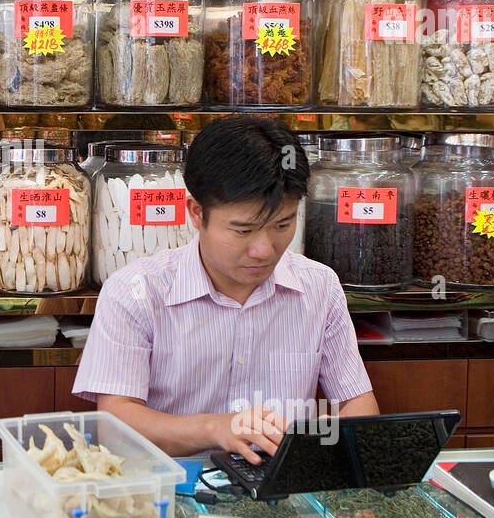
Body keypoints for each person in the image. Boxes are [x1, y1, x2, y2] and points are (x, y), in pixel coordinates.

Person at [74, 115, 378, 461]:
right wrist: (216, 429)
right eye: (243, 230)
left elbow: (358, 402)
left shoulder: (319, 286)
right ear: (196, 212)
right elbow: (114, 422)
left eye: (282, 224)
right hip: (172, 492)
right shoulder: (135, 291)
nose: (264, 250)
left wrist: (332, 432)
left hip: (280, 493)